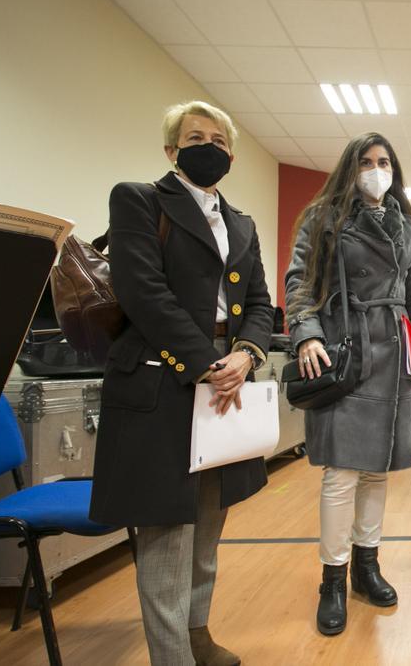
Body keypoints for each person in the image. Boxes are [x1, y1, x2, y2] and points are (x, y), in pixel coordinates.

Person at [90, 101, 274, 665]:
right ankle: (172, 658)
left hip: (227, 378)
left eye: (220, 141)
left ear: (232, 156)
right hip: (162, 383)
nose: (209, 147)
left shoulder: (241, 222)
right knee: (168, 536)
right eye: (196, 138)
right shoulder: (139, 199)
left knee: (208, 527)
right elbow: (143, 292)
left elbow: (261, 304)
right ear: (172, 150)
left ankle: (196, 635)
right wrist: (205, 362)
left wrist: (245, 354)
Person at [285, 132, 411, 637]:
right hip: (345, 348)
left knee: (377, 472)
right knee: (342, 474)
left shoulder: (404, 224)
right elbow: (299, 284)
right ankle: (331, 580)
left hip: (395, 353)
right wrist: (306, 337)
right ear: (350, 169)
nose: (377, 170)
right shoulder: (324, 218)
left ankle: (365, 567)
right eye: (367, 162)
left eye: (384, 162)